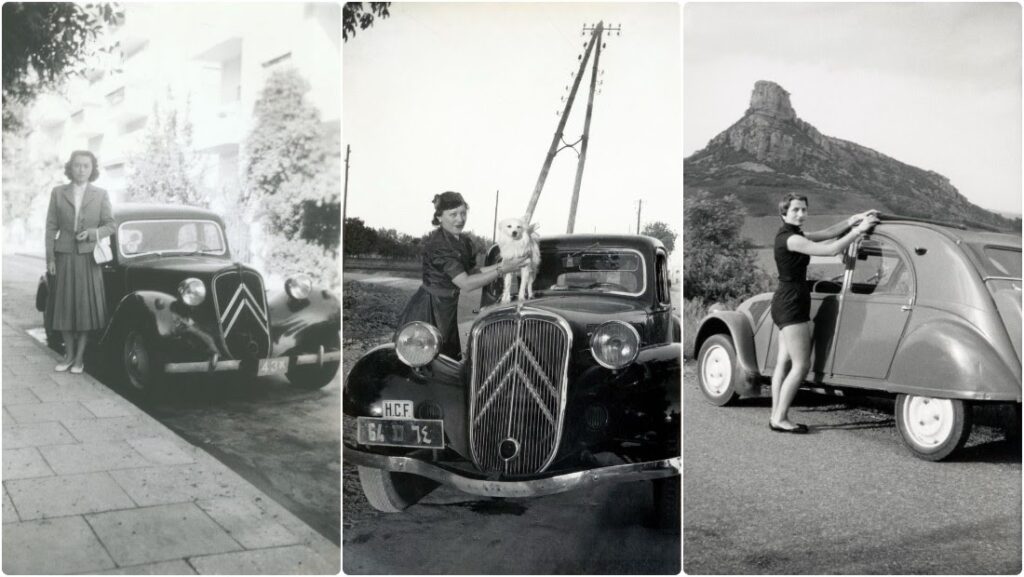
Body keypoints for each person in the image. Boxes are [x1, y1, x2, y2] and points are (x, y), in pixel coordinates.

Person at [769, 193, 879, 433]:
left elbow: (828, 233)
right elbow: (829, 250)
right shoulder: (792, 239)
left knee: (783, 362)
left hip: (785, 299)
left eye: (804, 210)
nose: (800, 214)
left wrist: (853, 220)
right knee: (801, 365)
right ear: (784, 213)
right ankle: (780, 419)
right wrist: (859, 230)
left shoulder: (791, 234)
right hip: (792, 302)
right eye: (795, 210)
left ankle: (776, 415)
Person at [396, 191, 530, 360]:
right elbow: (466, 283)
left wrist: (502, 265)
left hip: (451, 307)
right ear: (439, 218)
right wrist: (503, 270)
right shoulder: (439, 245)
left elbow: (472, 273)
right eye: (453, 215)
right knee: (426, 359)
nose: (460, 219)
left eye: (463, 213)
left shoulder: (463, 241)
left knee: (448, 360)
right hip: (430, 309)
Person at [45, 150, 115, 374]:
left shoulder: (101, 194)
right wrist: (50, 258)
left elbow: (110, 225)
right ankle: (67, 355)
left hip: (88, 258)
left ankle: (79, 359)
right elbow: (50, 227)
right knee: (64, 308)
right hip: (64, 256)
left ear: (92, 169)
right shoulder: (58, 193)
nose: (81, 170)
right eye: (77, 165)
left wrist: (93, 233)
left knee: (85, 309)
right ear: (70, 167)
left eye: (86, 166)